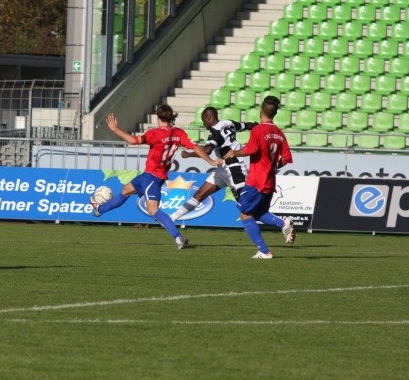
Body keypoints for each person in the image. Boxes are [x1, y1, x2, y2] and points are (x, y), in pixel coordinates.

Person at [90, 105, 224, 249]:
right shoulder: (179, 133)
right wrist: (211, 161)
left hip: (152, 177)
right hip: (149, 175)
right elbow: (196, 148)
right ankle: (99, 210)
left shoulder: (155, 133)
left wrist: (115, 129)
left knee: (153, 210)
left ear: (158, 117)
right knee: (125, 191)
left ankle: (178, 237)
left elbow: (132, 141)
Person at [223, 95, 295, 259]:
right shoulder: (279, 133)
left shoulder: (258, 130)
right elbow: (286, 158)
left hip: (256, 181)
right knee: (259, 212)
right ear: (274, 113)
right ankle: (282, 224)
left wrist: (234, 153)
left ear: (261, 111)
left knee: (245, 214)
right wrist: (274, 166)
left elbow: (250, 150)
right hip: (269, 181)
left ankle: (264, 250)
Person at [170, 106, 258, 222]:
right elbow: (247, 125)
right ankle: (171, 218)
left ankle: (281, 222)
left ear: (208, 117)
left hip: (235, 170)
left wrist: (188, 154)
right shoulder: (229, 123)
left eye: (203, 121)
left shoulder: (215, 131)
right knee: (200, 194)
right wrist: (257, 125)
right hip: (223, 168)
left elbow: (206, 151)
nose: (204, 124)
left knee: (247, 207)